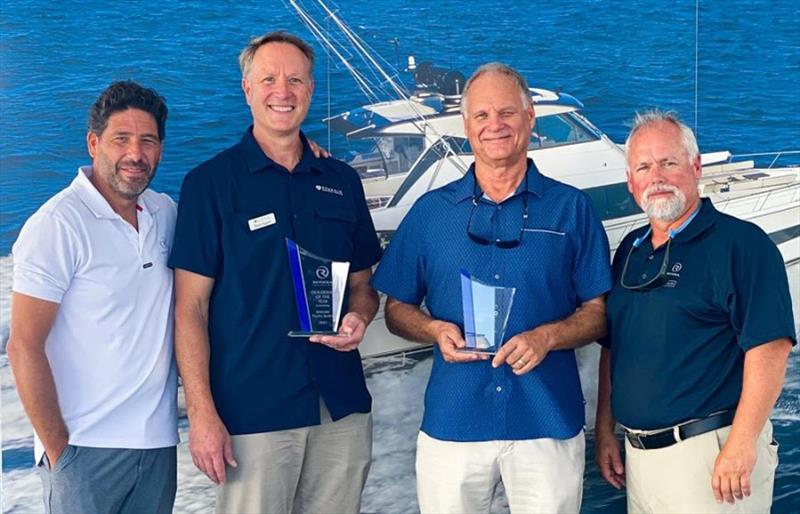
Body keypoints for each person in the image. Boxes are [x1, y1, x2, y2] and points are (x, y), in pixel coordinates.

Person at [371, 62, 612, 514]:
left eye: (507, 112)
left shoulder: (572, 210)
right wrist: (433, 330)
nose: (494, 125)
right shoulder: (430, 213)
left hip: (547, 419)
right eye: (481, 116)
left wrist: (549, 337)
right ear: (466, 126)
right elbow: (396, 309)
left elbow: (598, 311)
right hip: (454, 420)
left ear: (530, 117)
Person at [169, 31, 381, 514]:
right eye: (268, 79)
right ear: (247, 89)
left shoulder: (341, 181)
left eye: (295, 80)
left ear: (310, 89)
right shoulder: (209, 184)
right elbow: (190, 308)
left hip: (340, 405)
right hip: (253, 413)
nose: (282, 92)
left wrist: (360, 317)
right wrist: (201, 414)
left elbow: (364, 284)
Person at [595, 110, 796, 513]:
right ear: (631, 182)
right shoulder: (631, 250)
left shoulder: (741, 245)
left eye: (669, 162)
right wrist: (605, 431)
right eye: (644, 167)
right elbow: (613, 348)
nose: (657, 177)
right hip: (640, 462)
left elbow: (770, 349)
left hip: (712, 458)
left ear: (696, 166)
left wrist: (740, 445)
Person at [7, 81, 178, 514]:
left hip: (158, 445)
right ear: (93, 142)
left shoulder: (165, 213)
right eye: (121, 139)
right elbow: (24, 343)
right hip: (85, 449)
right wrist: (60, 451)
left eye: (148, 141)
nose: (135, 154)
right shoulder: (58, 224)